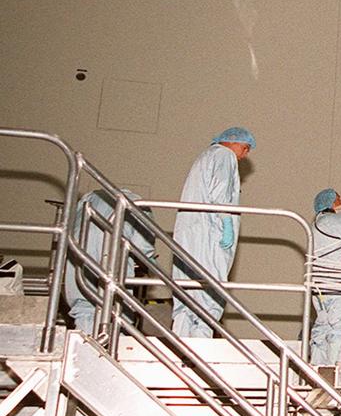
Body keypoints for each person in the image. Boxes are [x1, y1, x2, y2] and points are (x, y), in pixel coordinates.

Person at [172, 127, 255, 337]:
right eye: (245, 148)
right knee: (209, 293)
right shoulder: (224, 155)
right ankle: (201, 350)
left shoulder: (205, 157)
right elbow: (220, 189)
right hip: (209, 234)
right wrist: (226, 220)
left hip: (189, 234)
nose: (245, 155)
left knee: (187, 295)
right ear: (233, 141)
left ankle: (180, 345)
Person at [65, 189, 157, 332]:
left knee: (84, 302)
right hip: (112, 248)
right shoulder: (139, 204)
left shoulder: (90, 196)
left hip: (80, 244)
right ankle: (114, 339)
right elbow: (143, 245)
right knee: (117, 307)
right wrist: (150, 262)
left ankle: (85, 338)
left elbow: (72, 223)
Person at [309, 188, 341, 365]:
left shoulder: (315, 225)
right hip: (339, 286)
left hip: (320, 289)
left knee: (322, 329)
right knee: (340, 330)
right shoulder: (337, 222)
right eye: (339, 198)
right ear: (331, 203)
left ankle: (316, 371)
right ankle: (336, 375)